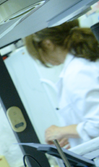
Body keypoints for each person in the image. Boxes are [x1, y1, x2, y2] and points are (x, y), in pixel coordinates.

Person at [25, 20, 99, 149]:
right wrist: (72, 134)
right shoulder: (80, 65)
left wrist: (61, 131)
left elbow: (97, 124)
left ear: (48, 44)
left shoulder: (77, 72)